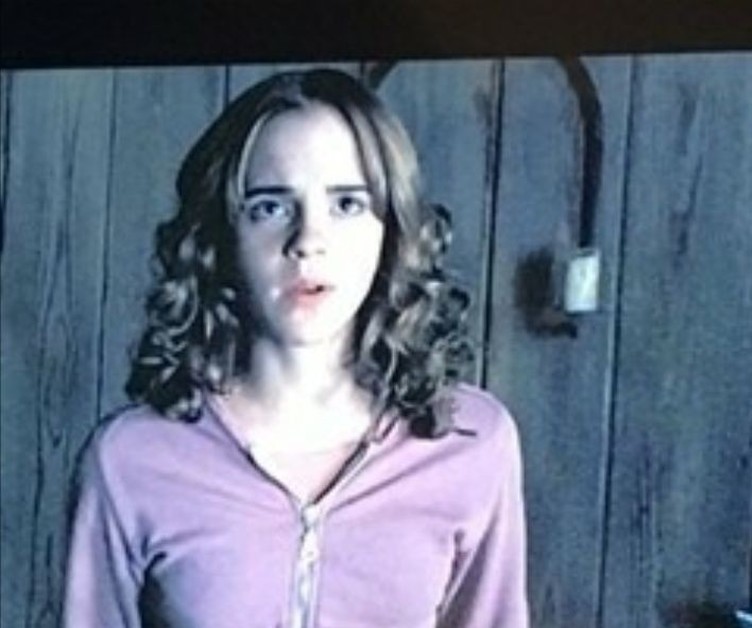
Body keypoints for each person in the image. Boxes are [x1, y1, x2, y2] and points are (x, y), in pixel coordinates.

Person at [62, 68, 529, 628]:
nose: (308, 242)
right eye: (270, 207)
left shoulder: (471, 443)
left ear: (392, 230)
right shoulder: (131, 459)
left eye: (347, 204)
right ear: (221, 236)